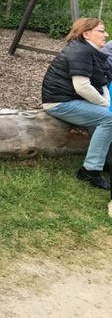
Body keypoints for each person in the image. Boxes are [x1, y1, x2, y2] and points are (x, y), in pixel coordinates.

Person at [42, 17, 112, 190]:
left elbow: (102, 81)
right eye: (101, 31)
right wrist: (104, 105)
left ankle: (101, 161)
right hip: (59, 102)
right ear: (86, 34)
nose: (106, 34)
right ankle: (90, 171)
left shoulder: (91, 51)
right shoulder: (80, 51)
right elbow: (82, 87)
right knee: (108, 119)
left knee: (106, 116)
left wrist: (105, 102)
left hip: (72, 99)